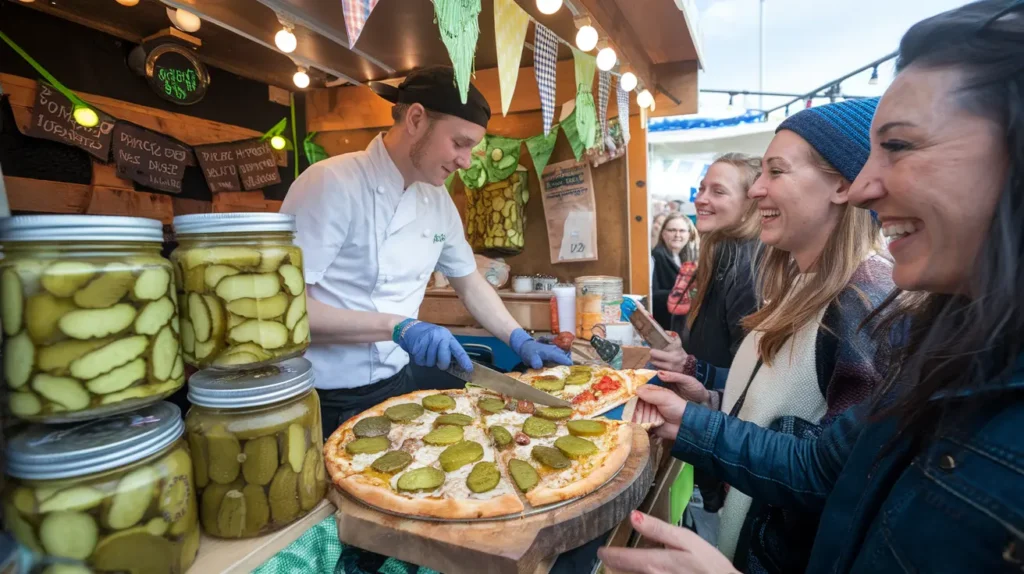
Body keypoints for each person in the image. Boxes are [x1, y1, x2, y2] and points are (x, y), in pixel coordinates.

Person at [616, 2, 1024, 572]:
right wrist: (700, 403)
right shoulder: (945, 339)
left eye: (900, 146)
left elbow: (816, 479)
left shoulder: (868, 301)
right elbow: (824, 460)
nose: (866, 188)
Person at [661, 97, 894, 572]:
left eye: (776, 171)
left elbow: (833, 473)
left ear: (842, 185)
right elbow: (778, 403)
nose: (756, 190)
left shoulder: (865, 301)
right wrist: (705, 388)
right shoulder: (801, 282)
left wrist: (694, 426)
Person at [281, 66, 571, 439]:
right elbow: (288, 308)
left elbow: (470, 283)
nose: (466, 161)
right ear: (416, 119)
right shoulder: (330, 184)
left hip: (398, 385)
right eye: (460, 143)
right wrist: (397, 326)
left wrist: (518, 337)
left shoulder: (437, 200)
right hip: (322, 397)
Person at [650, 153, 762, 385]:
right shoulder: (721, 254)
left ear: (750, 204)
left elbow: (750, 376)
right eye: (702, 189)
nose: (701, 199)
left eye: (718, 191)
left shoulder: (747, 265)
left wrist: (690, 366)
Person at [651, 214, 699, 329]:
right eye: (672, 230)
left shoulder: (685, 258)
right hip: (664, 326)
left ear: (689, 234)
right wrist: (685, 293)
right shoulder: (656, 256)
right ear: (663, 234)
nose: (677, 235)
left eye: (682, 231)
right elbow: (652, 295)